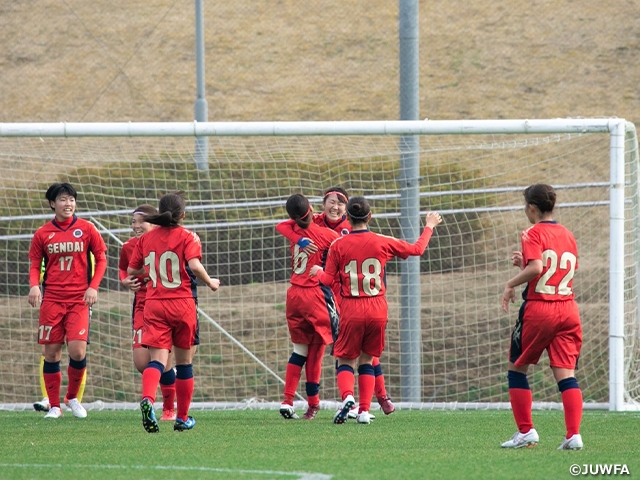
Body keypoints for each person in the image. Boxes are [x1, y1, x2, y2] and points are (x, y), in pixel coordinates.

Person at [311, 196, 442, 424]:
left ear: (347, 218)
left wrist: (317, 272)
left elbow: (328, 280)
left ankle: (347, 398)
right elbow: (417, 249)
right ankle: (363, 411)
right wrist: (429, 226)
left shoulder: (338, 245)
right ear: (370, 217)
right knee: (368, 359)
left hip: (351, 307)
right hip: (377, 307)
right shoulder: (382, 241)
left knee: (345, 360)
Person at [277, 186, 395, 417]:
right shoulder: (318, 224)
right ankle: (344, 403)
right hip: (327, 294)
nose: (335, 206)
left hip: (348, 294)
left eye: (340, 203)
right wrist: (300, 240)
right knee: (341, 349)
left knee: (362, 351)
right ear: (320, 205)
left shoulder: (351, 229)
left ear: (348, 209)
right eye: (331, 201)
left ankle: (380, 397)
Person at [128, 192, 220, 433]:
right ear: (183, 214)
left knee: (157, 361)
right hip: (182, 304)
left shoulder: (145, 239)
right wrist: (210, 282)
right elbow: (194, 266)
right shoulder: (188, 236)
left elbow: (132, 268)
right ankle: (182, 417)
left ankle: (148, 400)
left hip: (154, 303)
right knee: (184, 364)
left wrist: (150, 272)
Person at [500, 184, 583, 450]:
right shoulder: (567, 234)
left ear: (532, 208)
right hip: (568, 309)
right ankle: (573, 435)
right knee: (566, 374)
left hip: (540, 309)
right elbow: (553, 268)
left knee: (516, 368)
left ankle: (526, 431)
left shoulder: (532, 232)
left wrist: (511, 283)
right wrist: (524, 264)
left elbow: (538, 268)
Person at [27, 182, 108, 419]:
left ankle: (72, 398)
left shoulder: (87, 229)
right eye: (63, 199)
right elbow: (34, 263)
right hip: (52, 299)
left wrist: (93, 287)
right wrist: (34, 285)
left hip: (79, 299)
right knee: (51, 353)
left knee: (78, 351)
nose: (68, 204)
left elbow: (102, 259)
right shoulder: (42, 233)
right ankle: (54, 406)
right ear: (53, 203)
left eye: (71, 199)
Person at [275, 194, 340, 420]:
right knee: (322, 350)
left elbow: (280, 225)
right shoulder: (325, 235)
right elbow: (346, 246)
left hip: (293, 294)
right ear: (312, 209)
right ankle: (323, 403)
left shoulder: (292, 230)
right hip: (315, 294)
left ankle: (287, 401)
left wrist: (299, 238)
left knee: (299, 350)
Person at [118, 204, 176, 421]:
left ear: (154, 222)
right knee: (143, 363)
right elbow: (124, 267)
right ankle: (154, 402)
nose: (135, 226)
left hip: (166, 304)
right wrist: (125, 281)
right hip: (142, 305)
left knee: (163, 361)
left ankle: (169, 409)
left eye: (140, 221)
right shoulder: (128, 246)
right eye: (133, 222)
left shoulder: (168, 242)